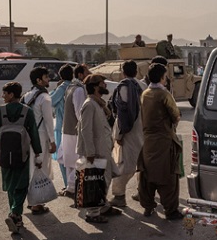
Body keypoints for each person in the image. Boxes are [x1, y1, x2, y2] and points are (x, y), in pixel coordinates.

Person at [0, 81, 42, 233]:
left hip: (4, 154)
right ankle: (15, 213)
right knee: (21, 184)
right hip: (22, 154)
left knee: (10, 184)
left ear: (11, 95)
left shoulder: (0, 111)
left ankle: (15, 216)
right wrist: (37, 151)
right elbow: (34, 134)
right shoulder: (27, 111)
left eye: (4, 93)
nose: (2, 96)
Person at [138, 63, 184, 220]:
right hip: (164, 141)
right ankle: (171, 210)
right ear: (162, 78)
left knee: (147, 175)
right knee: (168, 177)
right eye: (165, 76)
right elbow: (176, 115)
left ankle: (148, 206)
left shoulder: (145, 94)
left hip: (148, 142)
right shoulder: (164, 95)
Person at [77, 74, 120, 223]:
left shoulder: (98, 104)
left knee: (105, 178)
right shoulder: (89, 105)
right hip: (95, 151)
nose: (105, 86)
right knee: (95, 181)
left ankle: (103, 206)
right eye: (102, 83)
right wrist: (90, 152)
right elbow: (86, 130)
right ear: (95, 87)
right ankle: (93, 213)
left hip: (103, 148)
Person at [109, 60, 146, 207]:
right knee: (141, 165)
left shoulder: (123, 87)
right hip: (142, 130)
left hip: (128, 132)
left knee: (123, 165)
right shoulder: (143, 86)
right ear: (136, 72)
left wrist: (119, 135)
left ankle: (119, 196)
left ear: (123, 72)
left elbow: (123, 114)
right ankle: (142, 192)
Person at [21, 67, 57, 215]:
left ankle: (32, 201)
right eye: (46, 77)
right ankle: (37, 203)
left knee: (31, 168)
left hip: (28, 137)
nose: (48, 79)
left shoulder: (27, 95)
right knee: (41, 168)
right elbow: (49, 121)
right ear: (39, 80)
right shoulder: (44, 97)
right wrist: (53, 141)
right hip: (41, 136)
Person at [60, 64, 90, 198]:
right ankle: (73, 188)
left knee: (70, 162)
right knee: (76, 160)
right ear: (80, 75)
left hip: (68, 130)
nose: (89, 73)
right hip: (74, 131)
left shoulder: (70, 88)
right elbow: (80, 113)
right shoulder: (78, 90)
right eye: (87, 71)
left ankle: (71, 188)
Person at [50, 64, 73, 189]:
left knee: (62, 158)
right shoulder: (75, 87)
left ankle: (67, 185)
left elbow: (51, 101)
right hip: (72, 126)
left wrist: (55, 89)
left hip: (62, 126)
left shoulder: (62, 88)